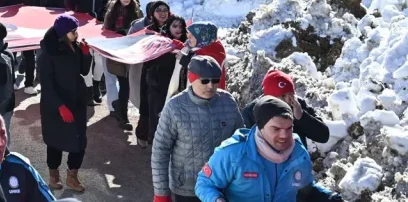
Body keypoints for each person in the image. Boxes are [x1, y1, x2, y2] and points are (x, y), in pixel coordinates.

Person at [196, 97, 343, 202]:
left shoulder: (299, 153)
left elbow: (305, 189)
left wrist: (330, 198)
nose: (284, 135)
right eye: (276, 129)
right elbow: (204, 183)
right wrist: (217, 199)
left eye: (289, 128)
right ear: (260, 127)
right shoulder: (233, 153)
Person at [151, 56, 242, 202]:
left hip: (223, 186)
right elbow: (160, 150)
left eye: (215, 80)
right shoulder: (174, 107)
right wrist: (161, 192)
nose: (211, 86)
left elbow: (241, 143)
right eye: (205, 81)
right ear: (192, 79)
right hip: (187, 189)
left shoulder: (228, 102)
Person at [37, 14, 92, 193]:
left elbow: (83, 71)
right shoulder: (47, 53)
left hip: (76, 101)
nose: (76, 35)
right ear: (62, 33)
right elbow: (46, 84)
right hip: (55, 104)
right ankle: (54, 175)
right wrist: (60, 106)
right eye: (73, 32)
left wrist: (85, 55)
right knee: (55, 140)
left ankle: (72, 175)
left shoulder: (74, 47)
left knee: (79, 140)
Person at [139, 14, 192, 148]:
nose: (178, 29)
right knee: (157, 120)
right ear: (168, 27)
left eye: (181, 26)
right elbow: (148, 64)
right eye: (174, 26)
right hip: (158, 89)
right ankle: (156, 147)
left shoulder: (188, 46)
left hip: (177, 91)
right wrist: (167, 53)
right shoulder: (159, 42)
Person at [241, 69, 331, 147]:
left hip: (296, 163)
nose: (288, 100)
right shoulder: (251, 113)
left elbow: (324, 136)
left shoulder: (297, 105)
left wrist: (302, 117)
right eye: (283, 96)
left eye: (291, 94)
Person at [101, 0, 142, 128]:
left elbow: (142, 30)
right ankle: (123, 117)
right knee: (124, 84)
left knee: (129, 84)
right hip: (117, 53)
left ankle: (119, 106)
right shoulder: (112, 13)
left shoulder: (137, 11)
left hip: (132, 53)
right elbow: (106, 31)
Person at [0, 0, 43, 94]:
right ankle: (11, 82)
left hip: (28, 28)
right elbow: (0, 7)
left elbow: (39, 10)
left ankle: (29, 84)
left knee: (29, 56)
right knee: (10, 56)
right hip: (11, 28)